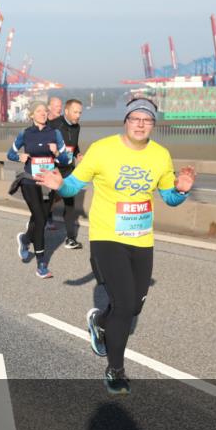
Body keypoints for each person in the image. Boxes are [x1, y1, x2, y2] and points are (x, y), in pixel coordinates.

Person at [35, 96, 196, 396]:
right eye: (135, 118)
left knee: (133, 306)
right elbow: (74, 185)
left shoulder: (161, 155)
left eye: (147, 120)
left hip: (141, 239)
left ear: (153, 125)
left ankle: (99, 321)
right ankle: (115, 370)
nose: (140, 124)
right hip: (108, 237)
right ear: (126, 121)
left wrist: (181, 191)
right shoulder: (103, 150)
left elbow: (170, 199)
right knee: (123, 304)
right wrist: (60, 185)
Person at [8, 101, 70, 278]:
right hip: (29, 181)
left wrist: (57, 153)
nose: (43, 113)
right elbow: (10, 154)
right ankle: (41, 264)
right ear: (32, 115)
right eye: (39, 111)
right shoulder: (25, 134)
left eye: (45, 111)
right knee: (41, 220)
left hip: (47, 183)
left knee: (39, 217)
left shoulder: (55, 133)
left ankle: (25, 239)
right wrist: (19, 156)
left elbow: (66, 160)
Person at [47, 99, 84, 248]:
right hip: (53, 170)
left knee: (70, 205)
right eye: (75, 112)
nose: (78, 115)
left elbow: (73, 145)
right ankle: (32, 232)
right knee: (46, 204)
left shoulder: (77, 127)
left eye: (80, 112)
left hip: (68, 171)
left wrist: (78, 154)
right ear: (67, 111)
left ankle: (70, 239)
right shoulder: (54, 125)